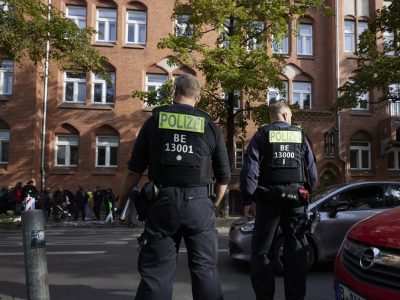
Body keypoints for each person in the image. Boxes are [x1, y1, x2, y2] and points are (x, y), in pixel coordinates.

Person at [117, 74, 231, 300]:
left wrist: (121, 204)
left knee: (157, 272)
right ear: (197, 98)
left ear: (173, 92)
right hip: (200, 203)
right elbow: (224, 177)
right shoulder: (209, 126)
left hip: (163, 203)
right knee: (205, 270)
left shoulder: (154, 121)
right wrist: (213, 205)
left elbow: (134, 171)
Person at [240, 100, 317, 300]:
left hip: (268, 199)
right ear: (284, 115)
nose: (291, 119)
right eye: (290, 115)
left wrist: (248, 200)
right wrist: (308, 192)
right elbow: (311, 169)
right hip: (296, 200)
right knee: (297, 251)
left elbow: (250, 170)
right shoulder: (299, 135)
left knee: (261, 251)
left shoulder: (262, 134)